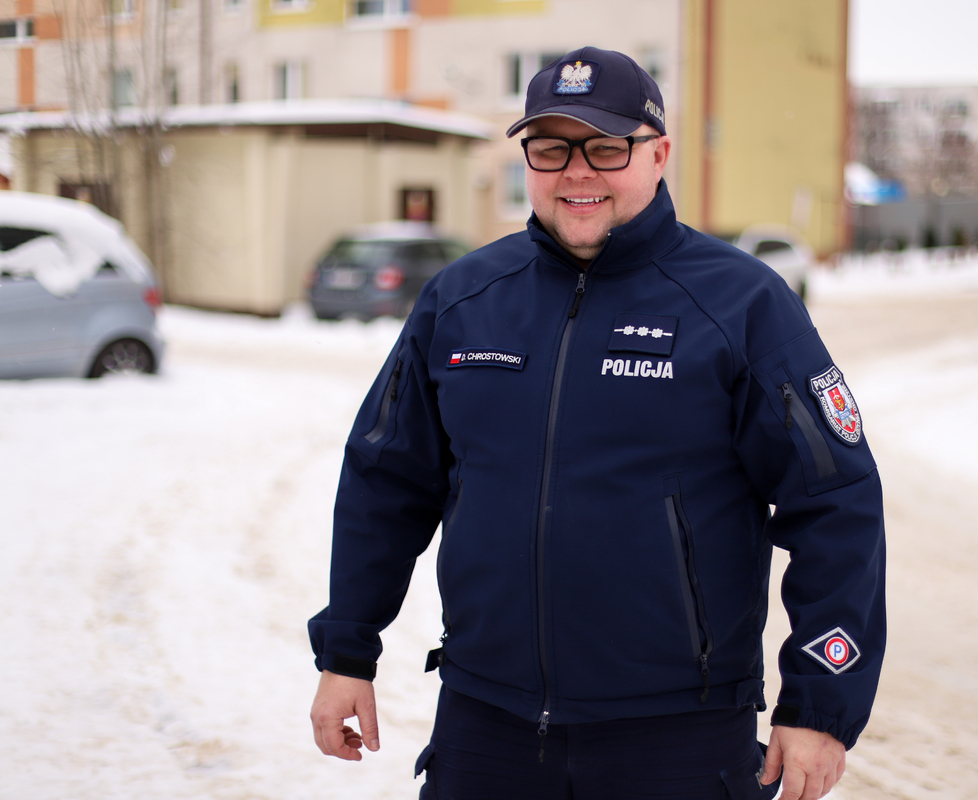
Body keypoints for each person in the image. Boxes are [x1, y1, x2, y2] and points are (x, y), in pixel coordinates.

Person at [308, 46, 886, 800]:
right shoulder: (463, 299)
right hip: (486, 728)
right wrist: (346, 652)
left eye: (607, 148)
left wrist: (819, 704)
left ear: (658, 155)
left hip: (677, 738)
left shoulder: (742, 304)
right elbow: (385, 480)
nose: (577, 172)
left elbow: (835, 502)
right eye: (551, 149)